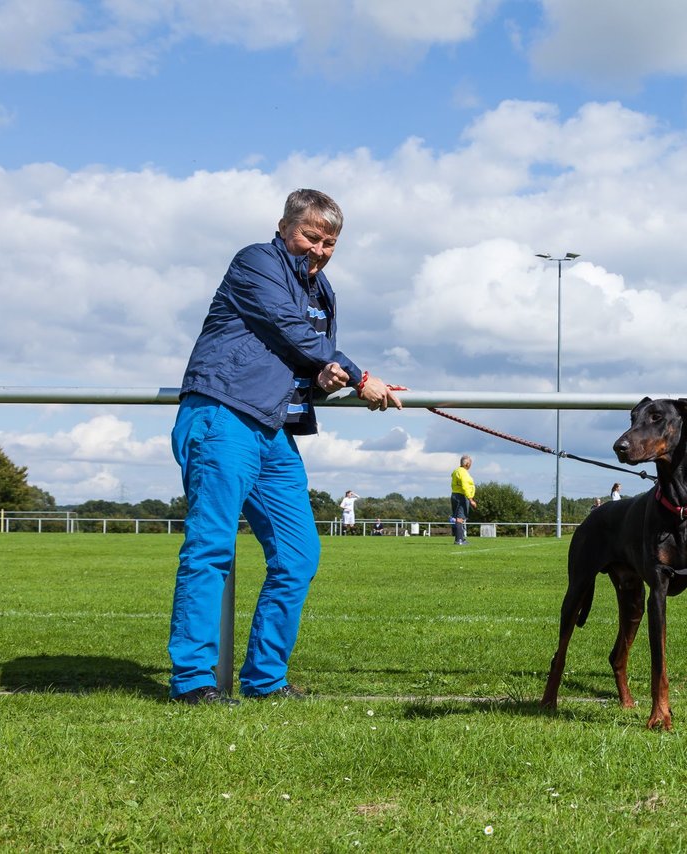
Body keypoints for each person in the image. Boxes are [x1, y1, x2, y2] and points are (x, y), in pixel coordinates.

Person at [168, 189, 403, 706]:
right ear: (283, 227)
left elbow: (306, 360)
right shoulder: (256, 261)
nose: (318, 250)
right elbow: (287, 328)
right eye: (310, 237)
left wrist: (332, 376)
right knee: (211, 548)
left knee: (299, 555)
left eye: (330, 242)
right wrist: (361, 376)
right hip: (222, 415)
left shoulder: (324, 293)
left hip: (275, 430)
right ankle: (191, 681)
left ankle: (265, 679)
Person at [451, 455, 476, 546]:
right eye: (470, 463)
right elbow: (465, 486)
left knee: (458, 518)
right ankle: (459, 540)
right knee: (460, 518)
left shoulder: (456, 471)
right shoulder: (464, 473)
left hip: (454, 494)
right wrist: (471, 499)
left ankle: (460, 538)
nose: (470, 465)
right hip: (461, 496)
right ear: (467, 464)